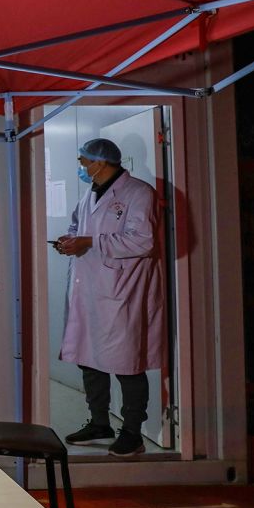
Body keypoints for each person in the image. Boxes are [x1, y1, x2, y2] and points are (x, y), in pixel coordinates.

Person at [53, 138, 166, 457]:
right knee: (89, 356)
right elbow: (79, 225)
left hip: (121, 290)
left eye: (83, 161)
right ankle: (99, 421)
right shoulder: (91, 193)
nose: (82, 167)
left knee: (127, 361)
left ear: (99, 163)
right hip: (89, 286)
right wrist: (70, 238)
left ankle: (133, 432)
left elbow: (143, 241)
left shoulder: (139, 193)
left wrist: (90, 241)